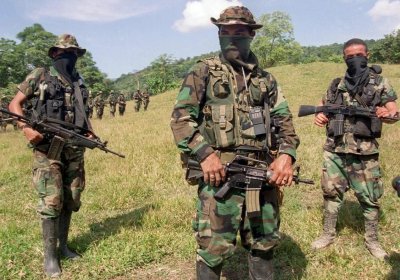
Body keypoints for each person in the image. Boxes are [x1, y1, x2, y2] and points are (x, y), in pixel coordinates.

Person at [170, 6, 299, 280]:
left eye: (238, 32)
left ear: (251, 34)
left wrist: (285, 156)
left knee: (264, 243)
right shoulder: (202, 71)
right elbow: (181, 120)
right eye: (224, 31)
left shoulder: (266, 80)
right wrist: (205, 155)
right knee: (212, 247)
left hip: (262, 176)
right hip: (220, 176)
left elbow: (285, 121)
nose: (230, 37)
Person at [9, 34, 93, 277]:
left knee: (72, 197)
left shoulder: (79, 81)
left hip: (75, 148)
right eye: (64, 52)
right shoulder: (40, 75)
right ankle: (50, 257)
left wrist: (90, 134)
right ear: (54, 53)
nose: (69, 57)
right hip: (47, 148)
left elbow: (83, 116)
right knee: (51, 201)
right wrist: (25, 128)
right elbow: (16, 104)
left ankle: (63, 246)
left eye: (74, 53)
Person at [311, 38, 399, 260]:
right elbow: (323, 105)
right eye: (350, 57)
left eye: (359, 55)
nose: (355, 59)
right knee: (331, 193)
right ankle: (328, 234)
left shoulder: (380, 83)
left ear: (367, 55)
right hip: (335, 150)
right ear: (344, 58)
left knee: (370, 197)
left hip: (365, 152)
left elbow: (394, 112)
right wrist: (320, 114)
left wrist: (387, 115)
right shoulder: (336, 84)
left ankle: (372, 240)